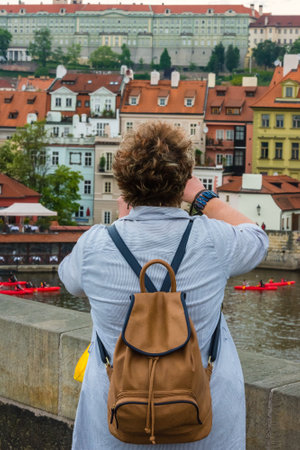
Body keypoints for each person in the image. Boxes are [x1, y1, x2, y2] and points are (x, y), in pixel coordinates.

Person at [59, 122, 268, 450]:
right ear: (183, 180)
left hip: (116, 423)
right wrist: (202, 197)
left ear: (124, 182)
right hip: (203, 423)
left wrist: (123, 222)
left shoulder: (96, 245)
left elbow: (69, 280)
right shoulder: (211, 238)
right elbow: (257, 236)